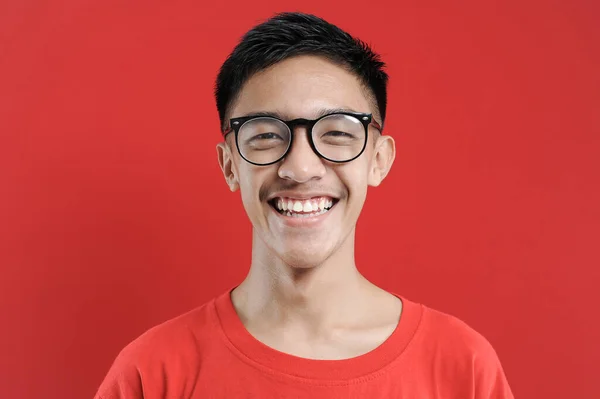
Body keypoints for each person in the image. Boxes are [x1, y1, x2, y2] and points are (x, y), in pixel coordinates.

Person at [95, 12, 513, 398]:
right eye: (265, 135)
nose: (299, 167)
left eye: (336, 133)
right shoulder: (153, 373)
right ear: (229, 166)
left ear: (379, 160)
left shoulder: (462, 367)